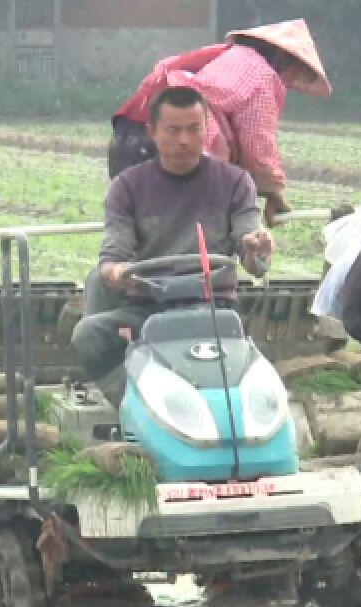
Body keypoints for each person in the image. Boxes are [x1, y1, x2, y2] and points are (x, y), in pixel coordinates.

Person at [72, 86, 274, 408]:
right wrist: (115, 272)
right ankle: (138, 408)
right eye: (173, 130)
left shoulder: (235, 182)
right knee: (89, 335)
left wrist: (257, 246)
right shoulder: (127, 187)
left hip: (213, 308)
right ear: (152, 132)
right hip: (148, 308)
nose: (184, 140)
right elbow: (113, 256)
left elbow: (251, 253)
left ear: (206, 130)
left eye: (194, 129)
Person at [109, 18, 332, 227]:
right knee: (197, 234)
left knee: (139, 231)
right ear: (282, 57)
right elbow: (257, 145)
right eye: (294, 67)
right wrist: (272, 192)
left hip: (128, 138)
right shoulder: (262, 75)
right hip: (177, 147)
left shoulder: (222, 56)